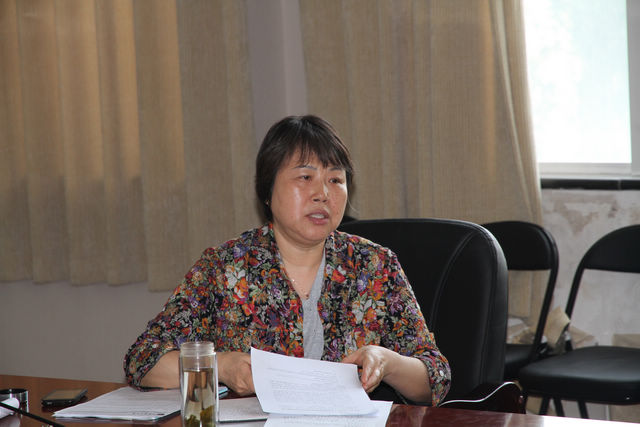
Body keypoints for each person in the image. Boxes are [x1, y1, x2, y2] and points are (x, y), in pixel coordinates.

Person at [124, 115, 451, 405]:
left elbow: (435, 377)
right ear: (267, 190)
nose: (323, 193)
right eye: (305, 177)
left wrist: (387, 362)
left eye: (335, 180)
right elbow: (143, 359)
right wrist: (219, 366)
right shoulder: (224, 268)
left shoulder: (375, 266)